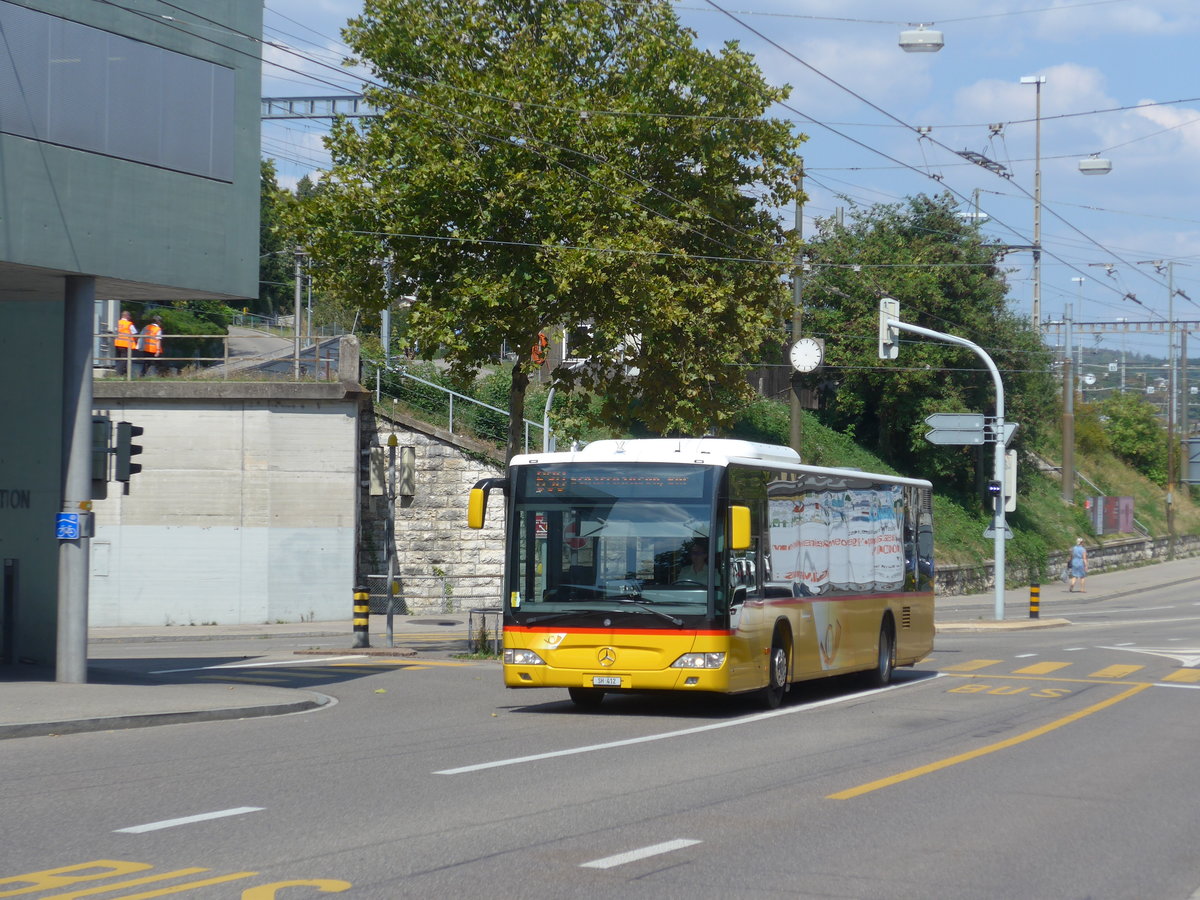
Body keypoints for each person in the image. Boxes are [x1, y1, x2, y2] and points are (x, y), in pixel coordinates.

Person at [113, 310, 138, 376]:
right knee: (125, 359)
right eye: (129, 316)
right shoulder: (129, 324)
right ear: (127, 316)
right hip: (126, 344)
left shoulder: (117, 322)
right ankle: (119, 373)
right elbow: (135, 334)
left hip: (117, 343)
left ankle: (124, 373)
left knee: (119, 358)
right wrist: (136, 342)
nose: (130, 317)